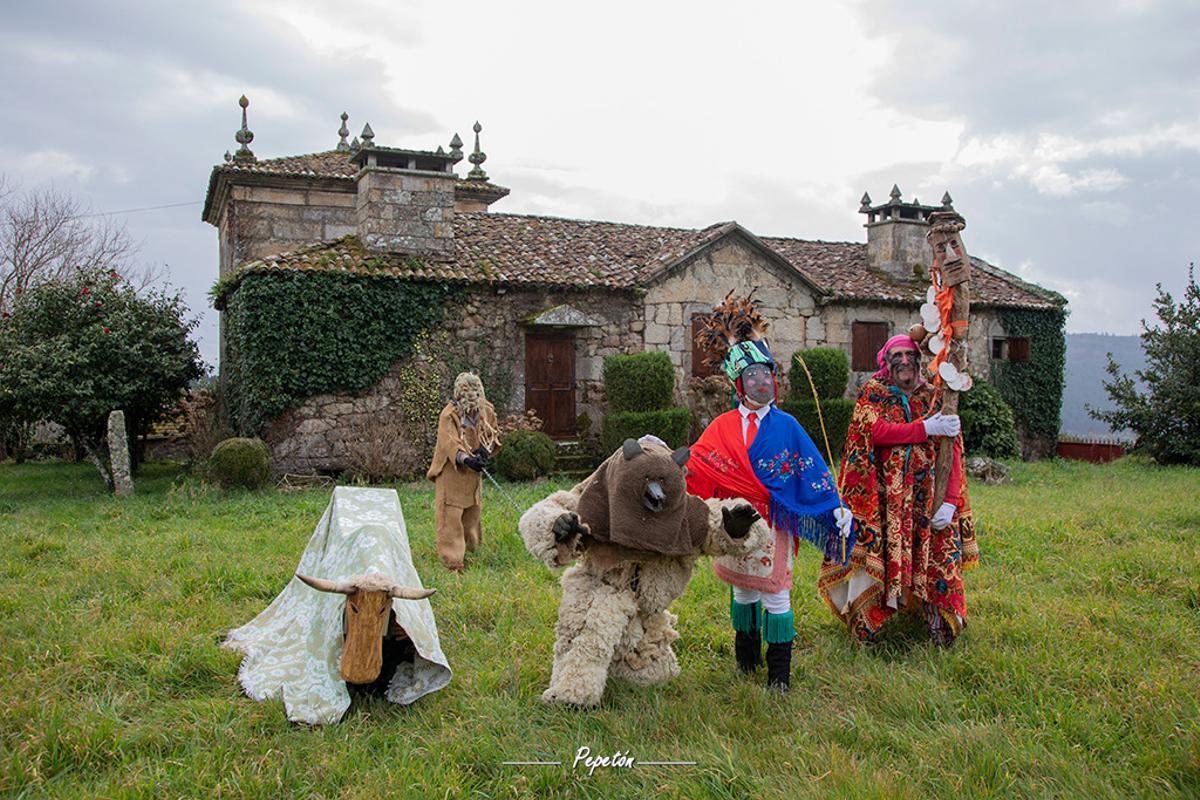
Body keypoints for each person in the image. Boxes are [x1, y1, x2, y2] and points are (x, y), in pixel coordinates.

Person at [686, 296, 853, 691]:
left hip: (774, 524)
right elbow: (697, 465)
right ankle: (746, 663)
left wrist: (835, 508)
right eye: (753, 375)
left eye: (767, 374)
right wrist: (659, 456)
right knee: (743, 592)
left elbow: (812, 472)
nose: (763, 381)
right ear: (738, 383)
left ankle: (779, 678)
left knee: (776, 595)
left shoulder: (788, 425)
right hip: (734, 526)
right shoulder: (722, 426)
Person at [818, 335, 976, 645]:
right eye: (897, 355)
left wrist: (950, 501)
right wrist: (924, 429)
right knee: (874, 560)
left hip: (926, 500)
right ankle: (866, 627)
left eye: (910, 354)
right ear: (886, 362)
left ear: (919, 360)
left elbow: (953, 451)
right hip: (881, 503)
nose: (905, 360)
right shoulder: (873, 396)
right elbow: (874, 432)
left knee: (932, 556)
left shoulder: (936, 397)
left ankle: (937, 624)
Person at [427, 372, 500, 571]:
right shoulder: (449, 415)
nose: (473, 407)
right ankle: (452, 562)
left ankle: (473, 554)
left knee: (472, 515)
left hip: (472, 476)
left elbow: (493, 433)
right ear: (459, 395)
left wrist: (485, 451)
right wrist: (466, 459)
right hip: (452, 472)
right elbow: (449, 442)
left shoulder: (487, 411)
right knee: (450, 517)